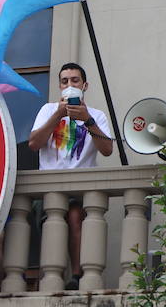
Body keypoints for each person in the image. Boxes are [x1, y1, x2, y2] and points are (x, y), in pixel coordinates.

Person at [26, 63, 114, 291]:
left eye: (75, 81)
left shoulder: (96, 115)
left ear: (84, 86)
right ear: (59, 86)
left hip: (79, 186)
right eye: (65, 81)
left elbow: (107, 150)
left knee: (76, 218)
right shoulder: (48, 110)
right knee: (50, 225)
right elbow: (34, 144)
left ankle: (75, 275)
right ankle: (50, 278)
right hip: (50, 186)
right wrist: (58, 114)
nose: (70, 85)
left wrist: (88, 120)